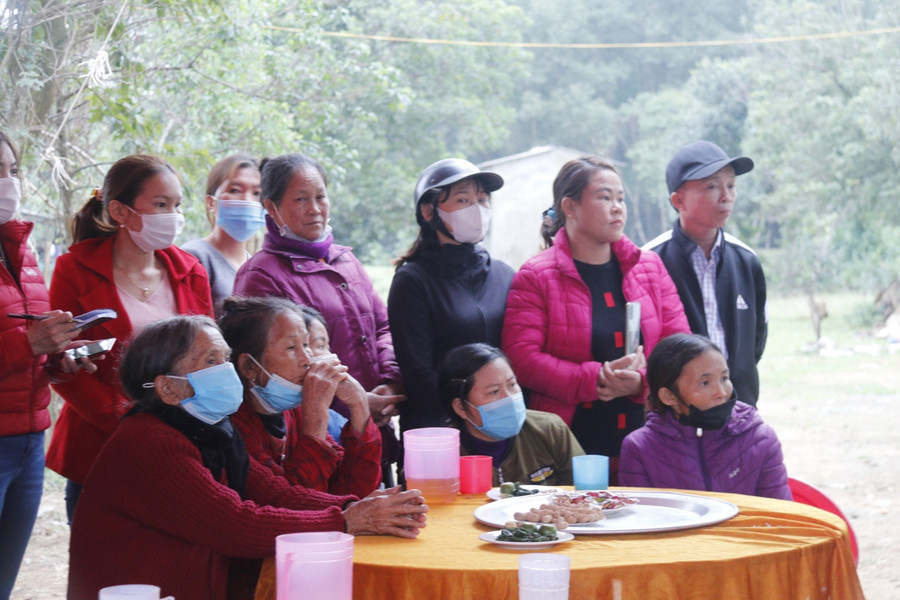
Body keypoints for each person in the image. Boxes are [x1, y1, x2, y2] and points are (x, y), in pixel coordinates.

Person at [67, 315, 427, 600]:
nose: (228, 370)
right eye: (212, 360)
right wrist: (348, 521)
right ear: (168, 387)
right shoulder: (148, 442)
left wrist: (359, 506)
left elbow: (275, 493)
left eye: (225, 357)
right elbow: (235, 524)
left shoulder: (211, 429)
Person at [46, 154, 214, 522]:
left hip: (183, 446)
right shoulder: (74, 270)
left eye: (176, 205)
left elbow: (211, 358)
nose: (173, 215)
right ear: (120, 211)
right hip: (102, 449)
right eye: (160, 204)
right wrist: (127, 418)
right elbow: (59, 364)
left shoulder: (191, 272)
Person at [502, 156, 690, 484]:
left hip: (646, 435)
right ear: (570, 207)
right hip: (568, 442)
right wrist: (594, 379)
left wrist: (644, 381)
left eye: (620, 198)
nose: (617, 207)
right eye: (604, 197)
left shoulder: (650, 268)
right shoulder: (535, 276)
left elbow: (680, 348)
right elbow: (522, 359)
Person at [232, 153, 404, 485]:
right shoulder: (262, 274)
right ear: (271, 207)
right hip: (315, 431)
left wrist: (388, 384)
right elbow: (274, 362)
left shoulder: (346, 261)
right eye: (300, 199)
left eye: (320, 197)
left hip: (370, 421)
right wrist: (352, 400)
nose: (315, 208)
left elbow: (382, 327)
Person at [0, 132, 100, 600]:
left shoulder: (23, 251)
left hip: (27, 444)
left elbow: (30, 348)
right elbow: (20, 343)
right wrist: (27, 344)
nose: (8, 183)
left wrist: (61, 358)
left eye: (12, 171)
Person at [389, 158, 514, 432]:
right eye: (462, 200)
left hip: (502, 425)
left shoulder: (504, 275)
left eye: (482, 199)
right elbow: (418, 373)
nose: (477, 209)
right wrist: (469, 413)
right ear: (429, 211)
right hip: (439, 429)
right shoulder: (413, 281)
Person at [643, 141, 767, 406]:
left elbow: (756, 342)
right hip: (675, 417)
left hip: (738, 412)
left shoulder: (746, 260)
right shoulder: (649, 262)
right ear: (678, 201)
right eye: (712, 186)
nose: (726, 196)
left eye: (731, 185)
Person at [220, 296, 382, 498]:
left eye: (306, 344)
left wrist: (359, 406)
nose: (308, 359)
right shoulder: (232, 427)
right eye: (291, 348)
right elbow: (299, 503)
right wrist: (316, 419)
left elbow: (353, 492)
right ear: (249, 366)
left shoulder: (294, 412)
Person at [618, 333, 790, 499]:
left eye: (724, 378)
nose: (721, 392)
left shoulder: (760, 438)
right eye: (705, 383)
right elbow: (641, 522)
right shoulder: (640, 448)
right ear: (669, 396)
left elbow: (782, 517)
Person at [438, 343, 584, 486]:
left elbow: (584, 493)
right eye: (494, 391)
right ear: (461, 407)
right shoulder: (440, 452)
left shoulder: (551, 430)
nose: (508, 397)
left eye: (512, 384)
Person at [182, 154, 264, 314]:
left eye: (257, 193)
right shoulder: (194, 258)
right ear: (210, 203)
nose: (247, 199)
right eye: (234, 190)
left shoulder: (256, 265)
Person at [300, 305, 351, 441]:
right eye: (321, 346)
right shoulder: (288, 416)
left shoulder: (334, 418)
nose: (333, 359)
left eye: (328, 347)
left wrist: (359, 404)